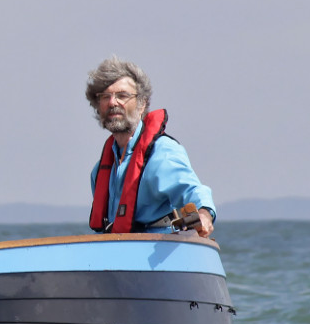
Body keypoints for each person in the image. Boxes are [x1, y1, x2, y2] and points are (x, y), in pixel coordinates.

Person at [85, 56, 215, 237]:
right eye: (105, 97)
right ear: (98, 107)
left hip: (158, 253)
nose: (113, 102)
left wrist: (204, 214)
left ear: (142, 105)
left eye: (122, 95)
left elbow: (191, 190)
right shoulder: (100, 171)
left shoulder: (162, 153)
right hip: (118, 256)